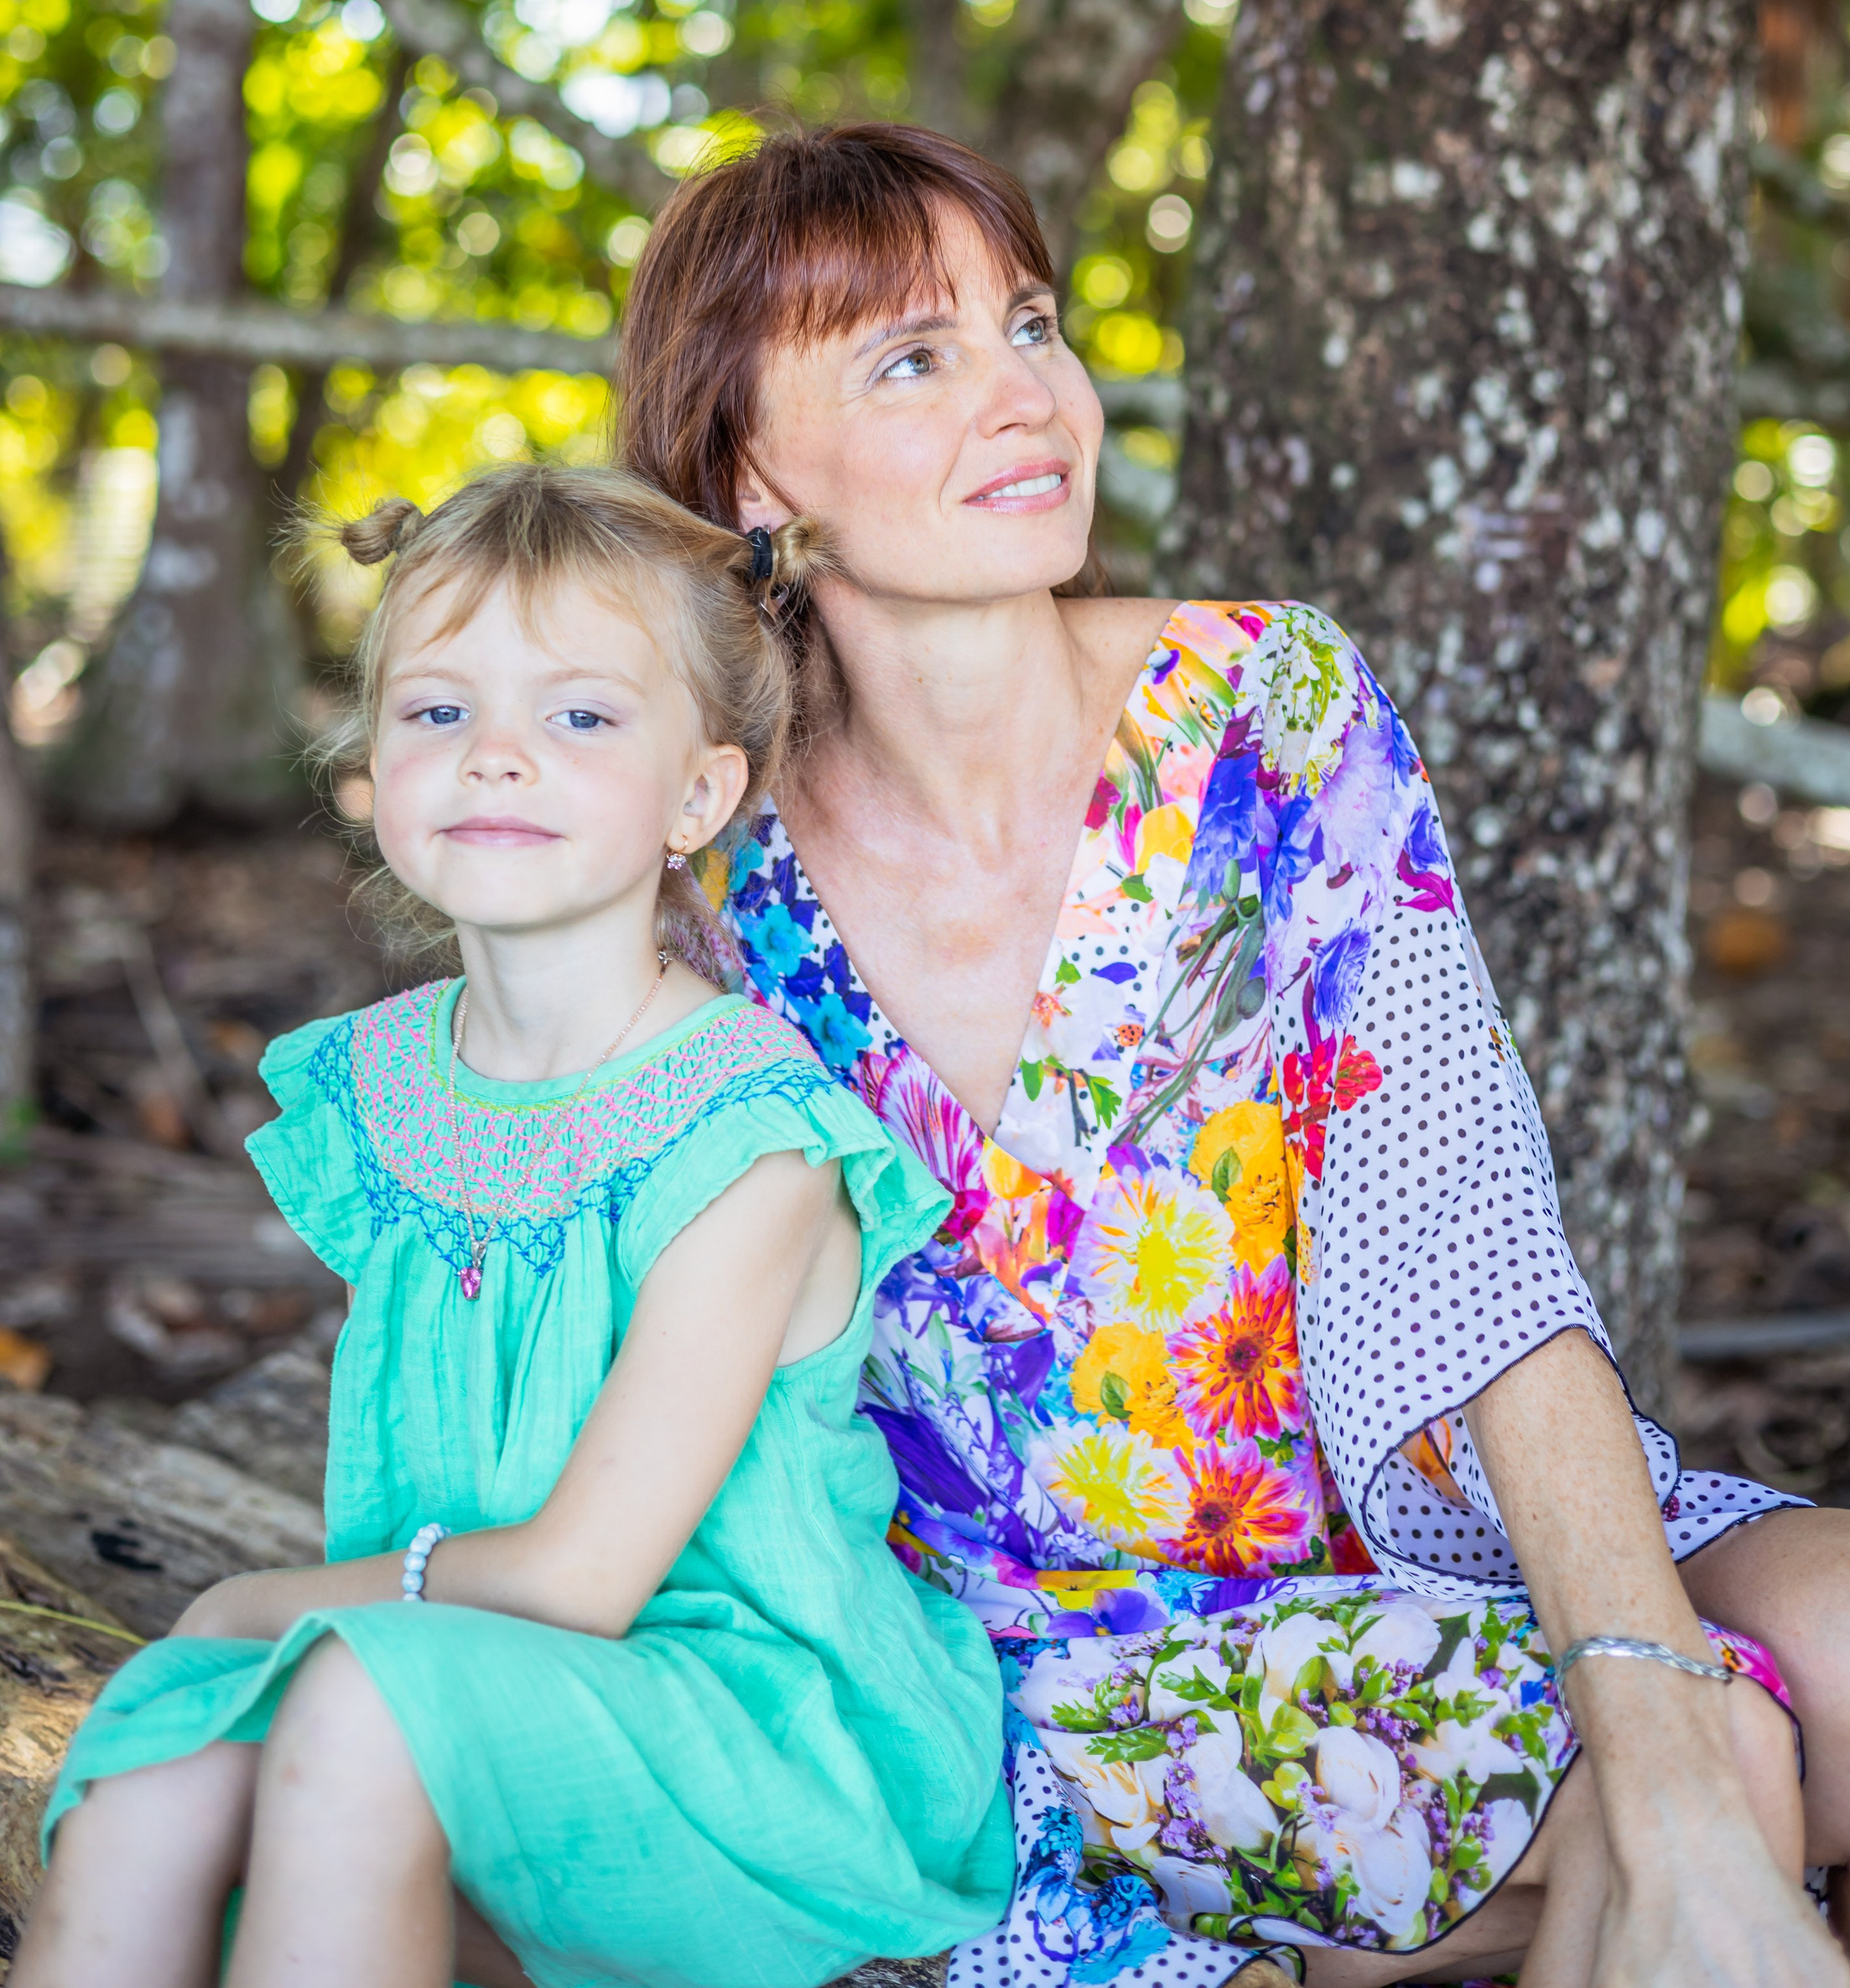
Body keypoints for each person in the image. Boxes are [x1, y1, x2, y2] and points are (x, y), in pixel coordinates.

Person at [621, 120, 1850, 1988]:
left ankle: (1453, 1892)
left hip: (1404, 1513)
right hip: (1027, 1653)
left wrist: (1652, 1714)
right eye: (912, 354)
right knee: (1724, 1757)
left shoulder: (1264, 702)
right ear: (748, 462)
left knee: (1799, 1680)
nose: (1025, 392)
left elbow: (1464, 1234)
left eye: (1028, 321)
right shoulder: (704, 878)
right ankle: (1379, 1909)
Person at [18, 464, 1012, 1988]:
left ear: (700, 792)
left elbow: (581, 1579)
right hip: (448, 1686)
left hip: (741, 1743)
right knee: (163, 1763)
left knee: (316, 1683)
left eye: (580, 717)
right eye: (435, 712)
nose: (494, 758)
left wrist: (251, 1598)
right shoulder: (390, 1079)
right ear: (369, 761)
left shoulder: (744, 1135)